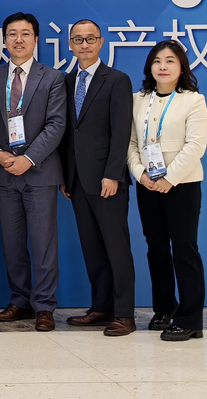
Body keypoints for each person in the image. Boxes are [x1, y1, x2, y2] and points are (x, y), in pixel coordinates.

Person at [0, 12, 66, 332]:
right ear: (4, 40)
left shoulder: (53, 78)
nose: (18, 39)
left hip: (40, 172)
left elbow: (56, 124)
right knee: (12, 242)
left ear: (36, 39)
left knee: (44, 242)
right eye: (12, 34)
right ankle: (20, 300)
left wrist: (29, 158)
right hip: (4, 172)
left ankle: (44, 306)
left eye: (25, 34)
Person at [58, 20, 136, 336]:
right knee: (92, 247)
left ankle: (125, 314)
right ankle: (101, 307)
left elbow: (121, 131)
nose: (84, 44)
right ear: (70, 44)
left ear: (101, 42)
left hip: (107, 180)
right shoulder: (66, 81)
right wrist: (65, 175)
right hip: (77, 180)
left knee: (116, 247)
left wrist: (113, 174)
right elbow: (67, 133)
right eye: (78, 39)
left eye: (90, 39)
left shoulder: (117, 80)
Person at [127, 40, 207, 342]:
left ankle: (190, 319)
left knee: (184, 249)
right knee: (156, 248)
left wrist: (169, 178)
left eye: (170, 61)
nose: (163, 66)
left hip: (182, 185)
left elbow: (195, 146)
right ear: (150, 66)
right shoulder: (138, 100)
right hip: (148, 184)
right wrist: (140, 173)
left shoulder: (193, 100)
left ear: (181, 67)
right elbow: (130, 143)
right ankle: (164, 309)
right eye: (157, 61)